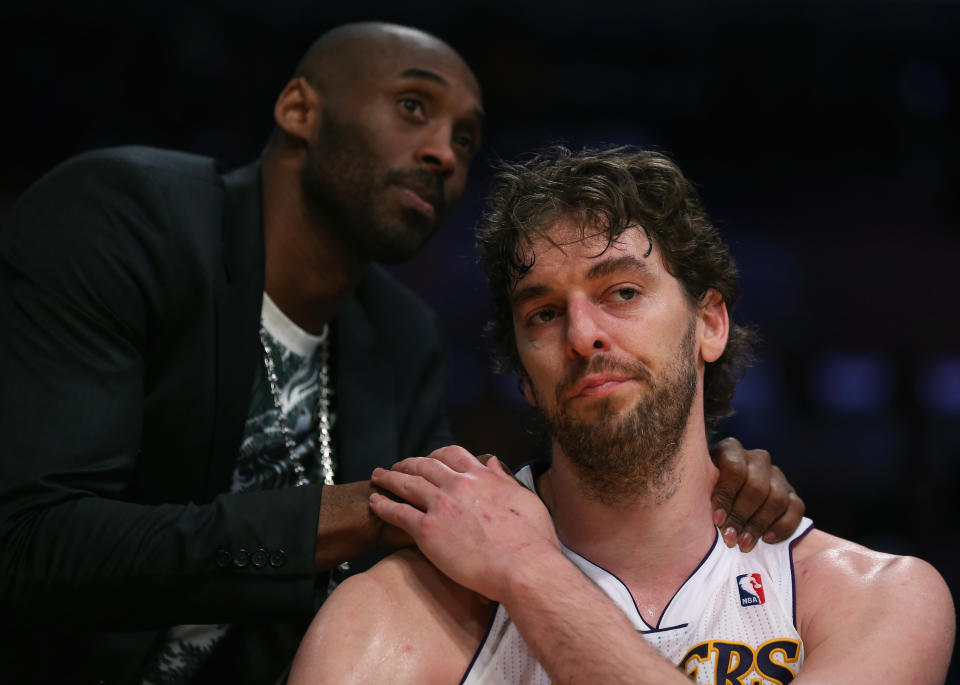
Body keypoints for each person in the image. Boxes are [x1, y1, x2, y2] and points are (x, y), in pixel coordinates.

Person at [0, 23, 801, 684]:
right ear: (299, 108)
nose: (444, 152)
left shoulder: (401, 336)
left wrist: (699, 472)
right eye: (413, 107)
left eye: (464, 137)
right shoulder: (124, 219)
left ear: (711, 322)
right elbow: (28, 545)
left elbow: (469, 523)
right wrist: (350, 513)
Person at [288, 145, 956, 684]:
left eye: (623, 291)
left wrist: (530, 568)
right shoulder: (391, 617)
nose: (583, 335)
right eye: (544, 312)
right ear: (522, 374)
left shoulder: (878, 598)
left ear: (711, 323)